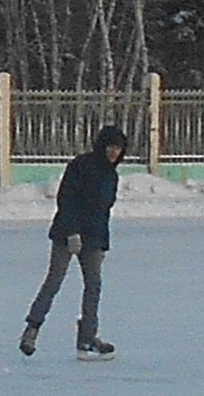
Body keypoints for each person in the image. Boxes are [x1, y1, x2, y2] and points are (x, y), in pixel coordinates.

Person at [19, 124, 126, 361]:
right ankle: (31, 330)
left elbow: (103, 212)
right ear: (102, 145)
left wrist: (103, 244)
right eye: (110, 146)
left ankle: (87, 337)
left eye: (118, 148)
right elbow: (67, 200)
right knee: (54, 281)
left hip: (94, 238)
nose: (113, 152)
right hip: (67, 234)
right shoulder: (81, 165)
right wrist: (71, 232)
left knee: (94, 286)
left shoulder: (112, 175)